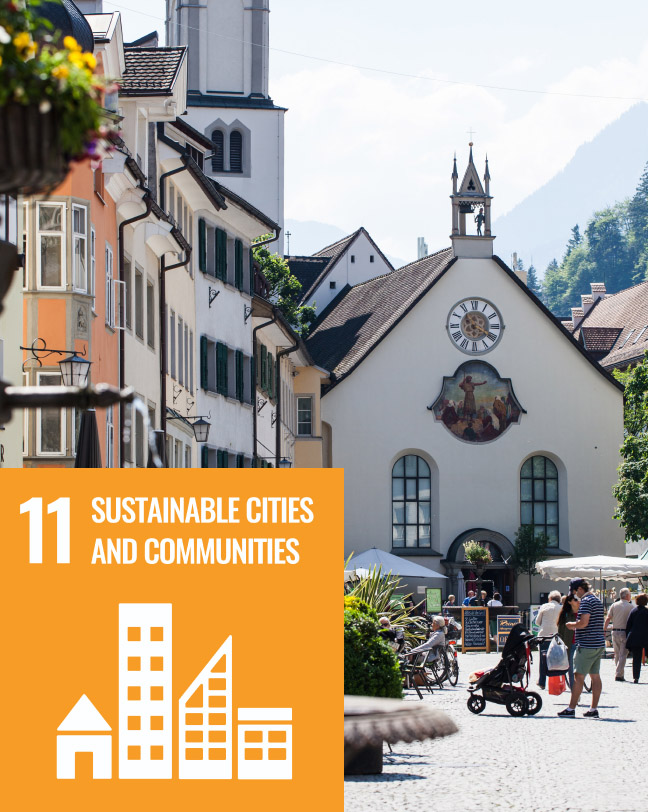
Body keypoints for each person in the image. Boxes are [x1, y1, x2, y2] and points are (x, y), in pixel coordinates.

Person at [558, 578, 605, 718]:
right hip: (598, 643)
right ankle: (593, 709)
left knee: (578, 676)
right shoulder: (597, 600)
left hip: (586, 644)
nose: (574, 596)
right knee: (595, 676)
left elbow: (584, 622)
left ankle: (571, 708)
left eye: (573, 592)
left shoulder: (585, 601)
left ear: (579, 589)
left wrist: (572, 625)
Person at [604, 587, 634, 681]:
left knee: (617, 654)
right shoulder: (631, 607)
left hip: (615, 631)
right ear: (627, 595)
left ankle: (619, 673)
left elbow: (608, 618)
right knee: (623, 654)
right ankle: (619, 674)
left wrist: (604, 630)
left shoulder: (614, 605)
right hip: (625, 632)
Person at [535, 590, 562, 689]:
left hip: (544, 635)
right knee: (556, 659)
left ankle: (542, 681)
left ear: (549, 599)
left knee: (543, 659)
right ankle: (556, 681)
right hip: (556, 636)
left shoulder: (544, 606)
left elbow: (537, 622)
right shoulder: (562, 608)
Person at [558, 593, 579, 688]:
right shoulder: (566, 614)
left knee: (581, 669)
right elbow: (560, 631)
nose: (578, 601)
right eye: (575, 600)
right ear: (570, 602)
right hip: (570, 644)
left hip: (582, 644)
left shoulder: (584, 612)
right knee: (571, 670)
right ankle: (574, 691)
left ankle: (577, 687)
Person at [625, 593, 648, 683]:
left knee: (636, 658)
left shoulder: (633, 611)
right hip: (646, 637)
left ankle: (636, 677)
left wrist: (628, 636)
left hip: (635, 637)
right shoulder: (647, 612)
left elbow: (628, 625)